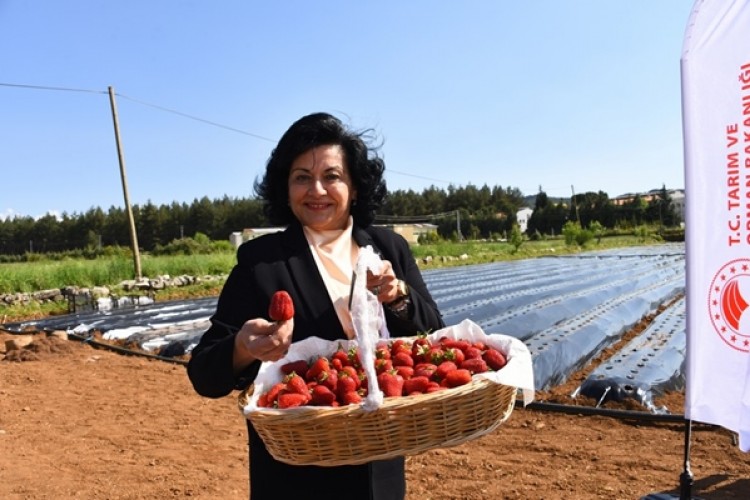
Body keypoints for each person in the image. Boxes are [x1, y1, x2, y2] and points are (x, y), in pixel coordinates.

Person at [187, 112, 445, 500]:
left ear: (355, 186)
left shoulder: (389, 248)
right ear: (285, 188)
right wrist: (243, 346)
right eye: (302, 177)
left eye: (332, 176)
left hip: (380, 468)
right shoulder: (261, 261)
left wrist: (397, 295)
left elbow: (432, 334)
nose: (317, 190)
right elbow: (205, 374)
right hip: (295, 475)